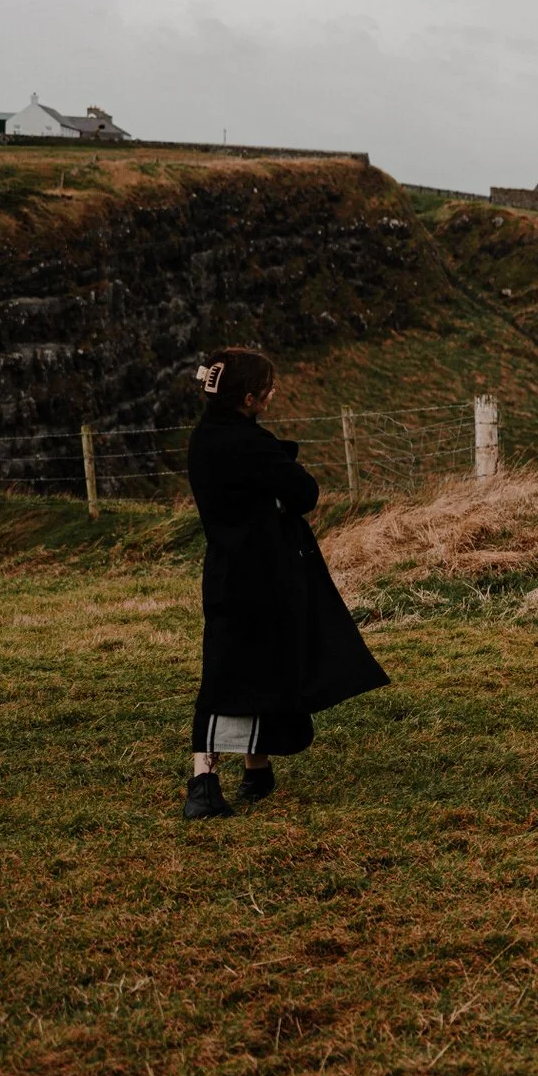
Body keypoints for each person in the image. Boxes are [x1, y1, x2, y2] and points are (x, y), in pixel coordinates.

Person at [181, 348, 389, 819]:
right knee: (238, 669)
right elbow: (305, 492)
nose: (274, 394)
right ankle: (203, 784)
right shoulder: (252, 445)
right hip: (265, 572)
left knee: (235, 662)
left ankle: (255, 770)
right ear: (250, 398)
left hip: (224, 569)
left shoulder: (202, 438)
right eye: (268, 389)